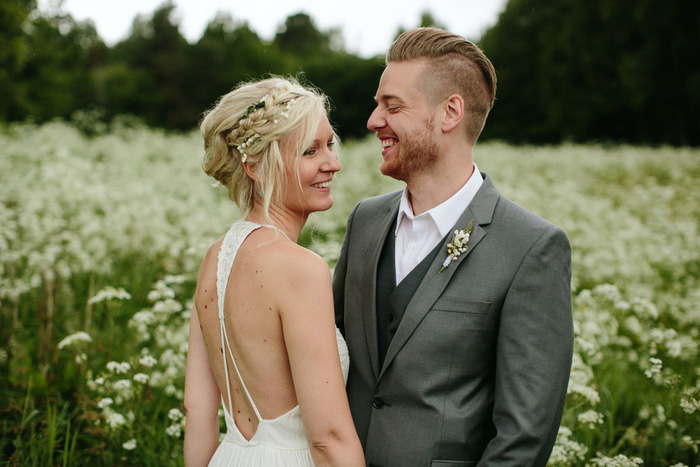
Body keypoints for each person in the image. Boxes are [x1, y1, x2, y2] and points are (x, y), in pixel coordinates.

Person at [333, 27, 574, 466]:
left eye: (392, 106)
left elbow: (523, 437)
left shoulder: (532, 248)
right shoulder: (364, 221)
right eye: (376, 104)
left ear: (450, 113)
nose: (372, 121)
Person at [184, 77, 365, 467]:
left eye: (330, 144)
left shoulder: (213, 260)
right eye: (310, 151)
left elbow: (196, 412)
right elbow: (328, 439)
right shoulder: (301, 269)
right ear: (254, 167)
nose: (332, 163)